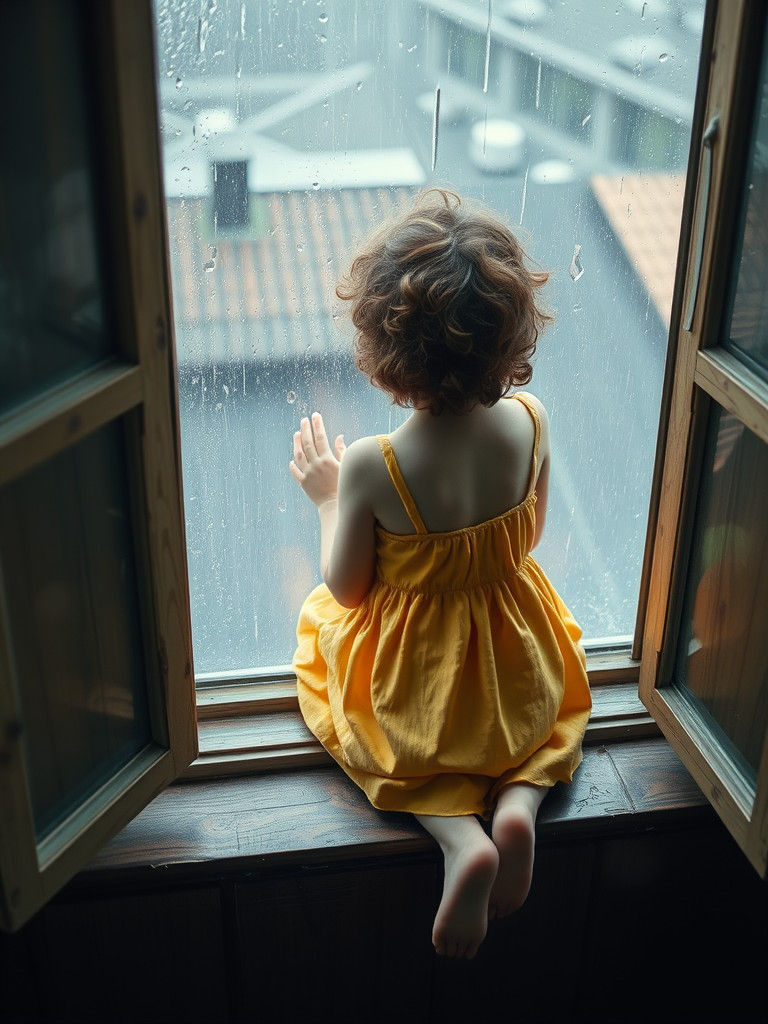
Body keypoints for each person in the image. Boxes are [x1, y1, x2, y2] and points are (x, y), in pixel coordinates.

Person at [289, 189, 592, 961]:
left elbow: (348, 589)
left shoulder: (371, 467)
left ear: (384, 354)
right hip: (512, 671)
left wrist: (327, 499)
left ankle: (463, 844)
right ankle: (519, 805)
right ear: (512, 334)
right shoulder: (532, 421)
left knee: (360, 703)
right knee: (544, 723)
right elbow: (530, 537)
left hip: (421, 688)